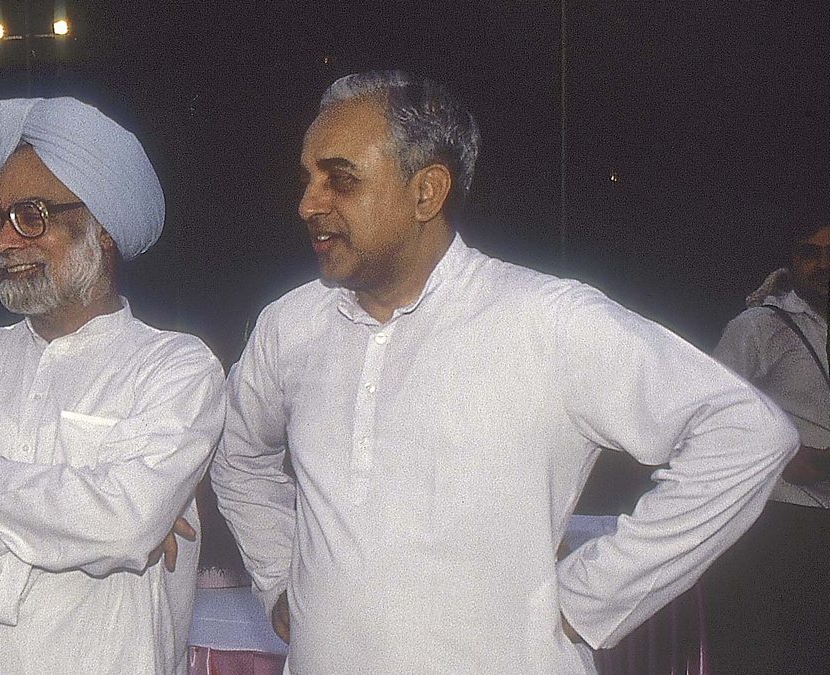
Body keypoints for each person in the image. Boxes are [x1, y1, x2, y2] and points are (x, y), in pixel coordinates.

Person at [210, 71, 798, 674]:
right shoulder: (292, 325)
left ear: (426, 192)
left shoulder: (545, 320)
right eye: (308, 179)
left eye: (341, 179)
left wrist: (593, 598)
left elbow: (746, 434)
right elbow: (236, 455)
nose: (308, 204)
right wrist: (279, 576)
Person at [0, 96, 225, 674]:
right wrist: (64, 552)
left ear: (101, 229)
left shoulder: (176, 367)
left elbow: (125, 523)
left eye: (30, 217)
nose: (3, 242)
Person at [705, 221, 829, 673]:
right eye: (810, 252)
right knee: (774, 654)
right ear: (792, 261)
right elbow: (713, 415)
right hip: (781, 516)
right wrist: (781, 455)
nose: (822, 264)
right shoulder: (759, 326)